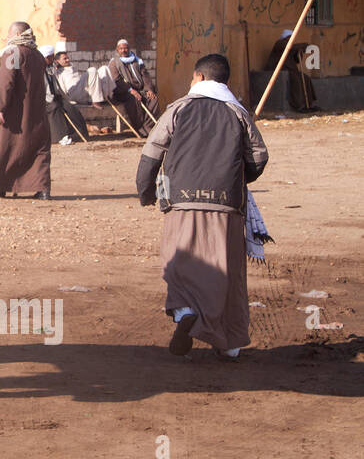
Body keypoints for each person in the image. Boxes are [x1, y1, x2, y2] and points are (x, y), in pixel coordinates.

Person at [135, 53, 268, 360]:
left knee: (179, 261)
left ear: (199, 78)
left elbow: (151, 154)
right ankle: (229, 344)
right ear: (227, 81)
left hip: (180, 202)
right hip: (227, 206)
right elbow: (259, 157)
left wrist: (146, 193)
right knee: (227, 271)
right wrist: (236, 178)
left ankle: (184, 313)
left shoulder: (177, 109)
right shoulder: (238, 112)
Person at [0, 21, 51, 199]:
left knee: (4, 147)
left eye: (9, 34)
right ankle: (42, 189)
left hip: (15, 112)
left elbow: (6, 82)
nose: (7, 37)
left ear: (17, 34)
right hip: (36, 112)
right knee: (37, 149)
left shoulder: (13, 52)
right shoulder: (37, 54)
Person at [41, 45, 89, 144]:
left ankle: (79, 134)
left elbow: (55, 85)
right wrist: (51, 98)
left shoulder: (50, 68)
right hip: (44, 100)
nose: (53, 58)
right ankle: (59, 136)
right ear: (45, 58)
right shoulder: (38, 70)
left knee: (70, 106)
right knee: (54, 107)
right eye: (51, 56)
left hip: (54, 96)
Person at [109, 39, 158, 135]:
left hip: (139, 90)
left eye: (125, 48)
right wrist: (131, 90)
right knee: (134, 99)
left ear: (129, 49)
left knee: (153, 99)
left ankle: (148, 127)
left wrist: (149, 89)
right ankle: (139, 128)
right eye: (121, 49)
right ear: (117, 50)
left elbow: (145, 75)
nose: (123, 50)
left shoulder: (137, 60)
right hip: (123, 92)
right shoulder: (114, 63)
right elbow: (117, 80)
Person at [264, 29, 318, 112]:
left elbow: (296, 60)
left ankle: (309, 104)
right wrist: (301, 46)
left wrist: (299, 53)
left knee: (305, 78)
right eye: (290, 38)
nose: (291, 40)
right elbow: (288, 47)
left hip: (291, 70)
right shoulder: (280, 44)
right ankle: (298, 105)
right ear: (286, 38)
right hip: (281, 70)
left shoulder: (292, 47)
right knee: (295, 79)